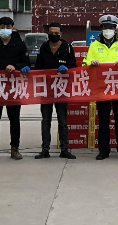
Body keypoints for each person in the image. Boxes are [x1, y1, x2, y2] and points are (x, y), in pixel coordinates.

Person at [0, 16, 31, 161]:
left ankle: (15, 149)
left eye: (8, 27)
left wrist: (16, 67)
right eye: (2, 27)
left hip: (13, 87)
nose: (5, 30)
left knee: (14, 119)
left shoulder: (19, 44)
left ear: (12, 28)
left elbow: (26, 63)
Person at [84, 14, 118, 160]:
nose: (108, 30)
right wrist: (91, 63)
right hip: (101, 88)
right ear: (101, 28)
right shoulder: (94, 45)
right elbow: (85, 64)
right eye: (105, 28)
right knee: (103, 120)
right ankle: (104, 150)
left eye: (111, 28)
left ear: (116, 29)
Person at [34, 22, 78, 160]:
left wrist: (67, 69)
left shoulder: (68, 47)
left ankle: (64, 149)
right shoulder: (44, 47)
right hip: (46, 89)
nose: (53, 35)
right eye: (51, 32)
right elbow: (38, 67)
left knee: (62, 121)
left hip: (61, 89)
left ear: (61, 34)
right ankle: (45, 150)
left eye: (56, 33)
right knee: (46, 120)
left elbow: (74, 66)